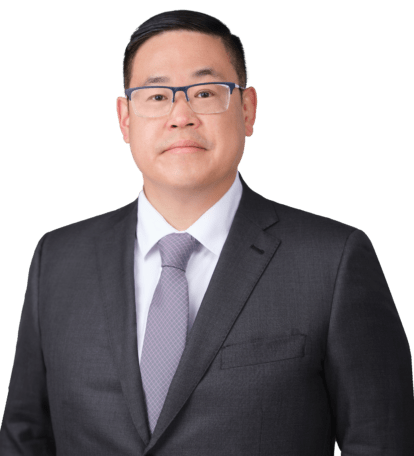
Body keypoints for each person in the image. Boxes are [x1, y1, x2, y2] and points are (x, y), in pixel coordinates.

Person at [1, 9, 413, 456]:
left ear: (248, 109)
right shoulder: (58, 259)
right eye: (156, 96)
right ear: (124, 118)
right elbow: (24, 437)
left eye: (204, 92)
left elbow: (382, 441)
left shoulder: (332, 261)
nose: (181, 116)